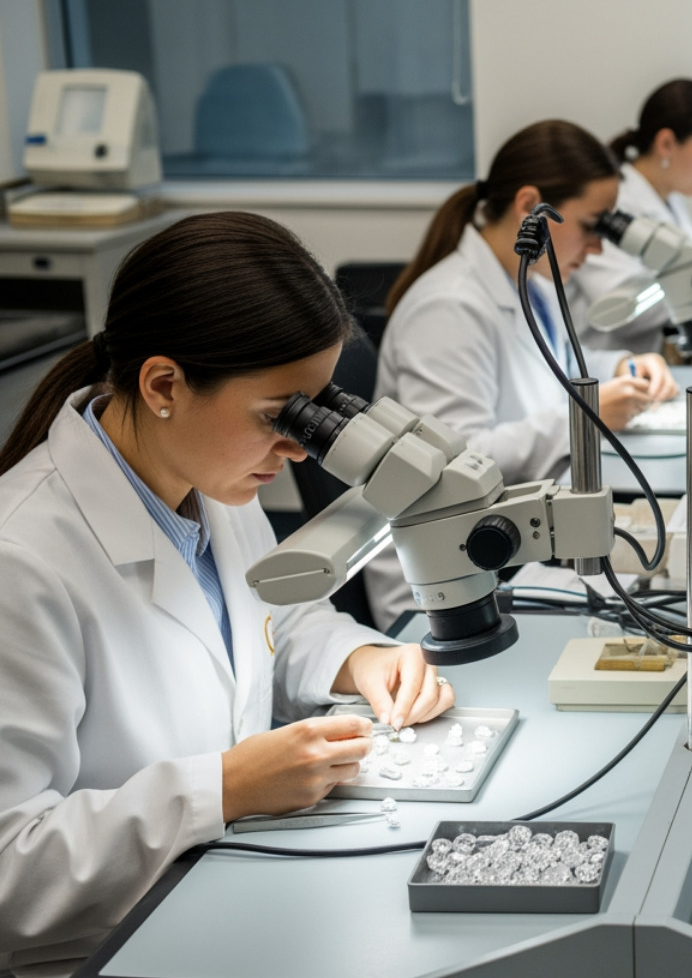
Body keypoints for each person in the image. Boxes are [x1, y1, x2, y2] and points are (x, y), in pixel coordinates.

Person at [0, 212, 456, 973]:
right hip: (114, 951)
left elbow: (274, 620)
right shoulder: (21, 560)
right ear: (164, 385)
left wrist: (364, 658)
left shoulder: (205, 481)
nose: (299, 448)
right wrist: (221, 789)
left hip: (225, 890)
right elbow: (10, 869)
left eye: (315, 414)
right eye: (281, 417)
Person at [368, 120, 677, 629]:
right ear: (530, 204)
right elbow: (450, 473)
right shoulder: (448, 308)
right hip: (450, 580)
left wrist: (625, 364)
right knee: (642, 609)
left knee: (653, 589)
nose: (598, 249)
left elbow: (557, 370)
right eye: (592, 225)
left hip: (512, 542)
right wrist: (584, 416)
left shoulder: (531, 282)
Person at [566, 79, 692, 354]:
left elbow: (684, 253)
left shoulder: (668, 195)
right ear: (666, 143)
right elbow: (628, 310)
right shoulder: (613, 207)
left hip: (647, 361)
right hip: (606, 364)